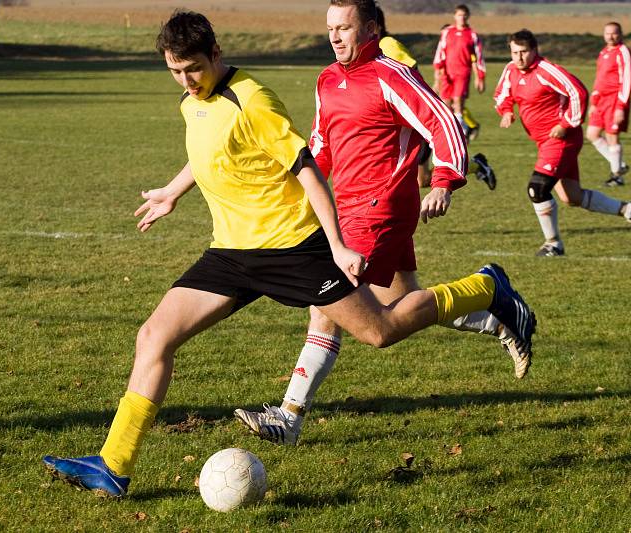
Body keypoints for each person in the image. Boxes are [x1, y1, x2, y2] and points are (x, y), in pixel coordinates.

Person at [41, 10, 535, 498]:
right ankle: (114, 464)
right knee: (154, 335)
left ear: (216, 53)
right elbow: (211, 149)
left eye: (193, 68)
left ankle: (486, 288)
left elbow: (307, 171)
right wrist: (173, 191)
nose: (187, 80)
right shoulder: (196, 100)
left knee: (380, 330)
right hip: (231, 252)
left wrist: (337, 245)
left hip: (293, 248)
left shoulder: (252, 99)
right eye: (175, 70)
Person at [233, 0, 525, 448]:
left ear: (369, 29)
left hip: (380, 206)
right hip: (346, 208)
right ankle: (497, 314)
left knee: (327, 304)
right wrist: (294, 189)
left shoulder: (391, 74)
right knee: (402, 303)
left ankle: (289, 418)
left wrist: (444, 181)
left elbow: (444, 121)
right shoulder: (327, 79)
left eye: (344, 28)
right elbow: (322, 143)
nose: (334, 37)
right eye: (330, 28)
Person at [494, 29, 631, 257]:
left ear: (535, 50)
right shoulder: (510, 70)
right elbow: (501, 94)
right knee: (571, 197)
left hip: (561, 140)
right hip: (543, 142)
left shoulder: (547, 71)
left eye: (524, 52)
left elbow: (578, 92)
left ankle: (553, 244)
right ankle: (627, 208)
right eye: (514, 52)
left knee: (537, 189)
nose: (519, 57)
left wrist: (566, 123)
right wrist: (506, 111)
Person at [375, 6, 496, 190]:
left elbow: (412, 73)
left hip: (413, 124)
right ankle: (477, 164)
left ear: (373, 26)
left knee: (394, 181)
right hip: (392, 126)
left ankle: (462, 134)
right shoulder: (360, 53)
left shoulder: (388, 45)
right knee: (422, 181)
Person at [586, 22, 631, 187]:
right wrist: (594, 101)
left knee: (612, 136)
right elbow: (600, 77)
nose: (610, 36)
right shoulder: (604, 52)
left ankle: (617, 177)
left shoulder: (623, 52)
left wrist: (621, 106)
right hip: (601, 101)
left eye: (614, 33)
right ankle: (619, 165)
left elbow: (627, 80)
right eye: (607, 33)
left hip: (615, 100)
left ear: (620, 34)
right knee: (592, 134)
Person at [432, 4, 486, 141]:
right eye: (459, 15)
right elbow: (440, 51)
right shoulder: (447, 32)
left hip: (463, 72)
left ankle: (461, 130)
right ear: (455, 16)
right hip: (447, 73)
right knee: (445, 103)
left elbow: (478, 57)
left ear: (468, 16)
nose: (461, 18)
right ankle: (456, 130)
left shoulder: (472, 35)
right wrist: (438, 70)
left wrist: (479, 77)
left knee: (458, 101)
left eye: (464, 15)